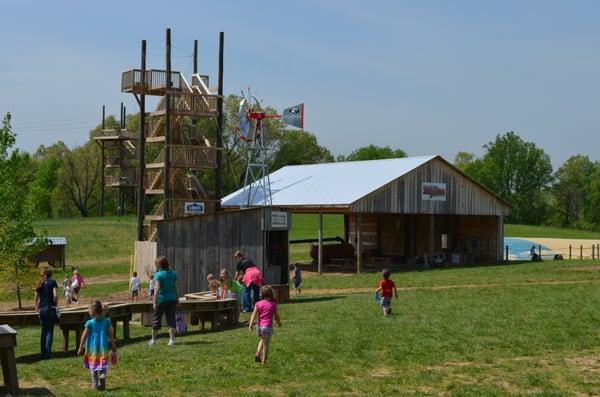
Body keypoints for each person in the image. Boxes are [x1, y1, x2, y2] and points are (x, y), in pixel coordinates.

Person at [77, 301, 117, 391]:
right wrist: (113, 346)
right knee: (103, 365)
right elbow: (111, 334)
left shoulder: (89, 323)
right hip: (103, 349)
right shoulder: (107, 322)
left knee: (93, 367)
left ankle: (95, 385)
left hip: (92, 350)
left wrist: (80, 347)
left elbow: (84, 336)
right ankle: (102, 376)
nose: (88, 312)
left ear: (93, 311)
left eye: (89, 310)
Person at [249, 286, 282, 365]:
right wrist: (279, 323)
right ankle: (264, 360)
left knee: (263, 339)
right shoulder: (273, 305)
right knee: (266, 343)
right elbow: (276, 316)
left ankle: (258, 353)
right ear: (271, 294)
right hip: (267, 326)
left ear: (261, 294)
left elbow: (254, 314)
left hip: (259, 326)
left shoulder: (258, 303)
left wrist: (250, 324)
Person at [149, 256, 178, 347]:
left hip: (161, 300)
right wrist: (178, 300)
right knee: (171, 320)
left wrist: (154, 301)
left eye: (156, 264)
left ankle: (153, 340)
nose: (156, 266)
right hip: (172, 299)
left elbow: (157, 288)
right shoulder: (174, 274)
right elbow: (174, 288)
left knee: (156, 319)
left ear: (160, 265)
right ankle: (171, 340)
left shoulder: (159, 275)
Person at [34, 268, 58, 359]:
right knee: (49, 332)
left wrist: (36, 309)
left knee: (43, 331)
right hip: (50, 309)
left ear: (44, 275)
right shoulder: (53, 282)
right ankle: (48, 353)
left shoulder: (39, 283)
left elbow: (35, 298)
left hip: (41, 309)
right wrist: (56, 306)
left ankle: (43, 353)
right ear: (50, 274)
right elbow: (55, 296)